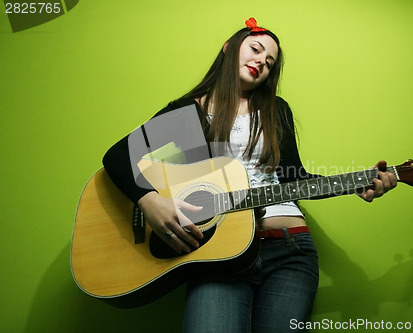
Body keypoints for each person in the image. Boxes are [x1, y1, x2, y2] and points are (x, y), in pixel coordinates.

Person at [103, 17, 396, 332]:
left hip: (289, 251)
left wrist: (357, 182)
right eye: (255, 49)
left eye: (269, 62)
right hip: (217, 255)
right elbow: (118, 156)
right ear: (229, 47)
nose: (261, 61)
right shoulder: (187, 112)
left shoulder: (275, 110)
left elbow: (294, 180)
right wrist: (149, 201)